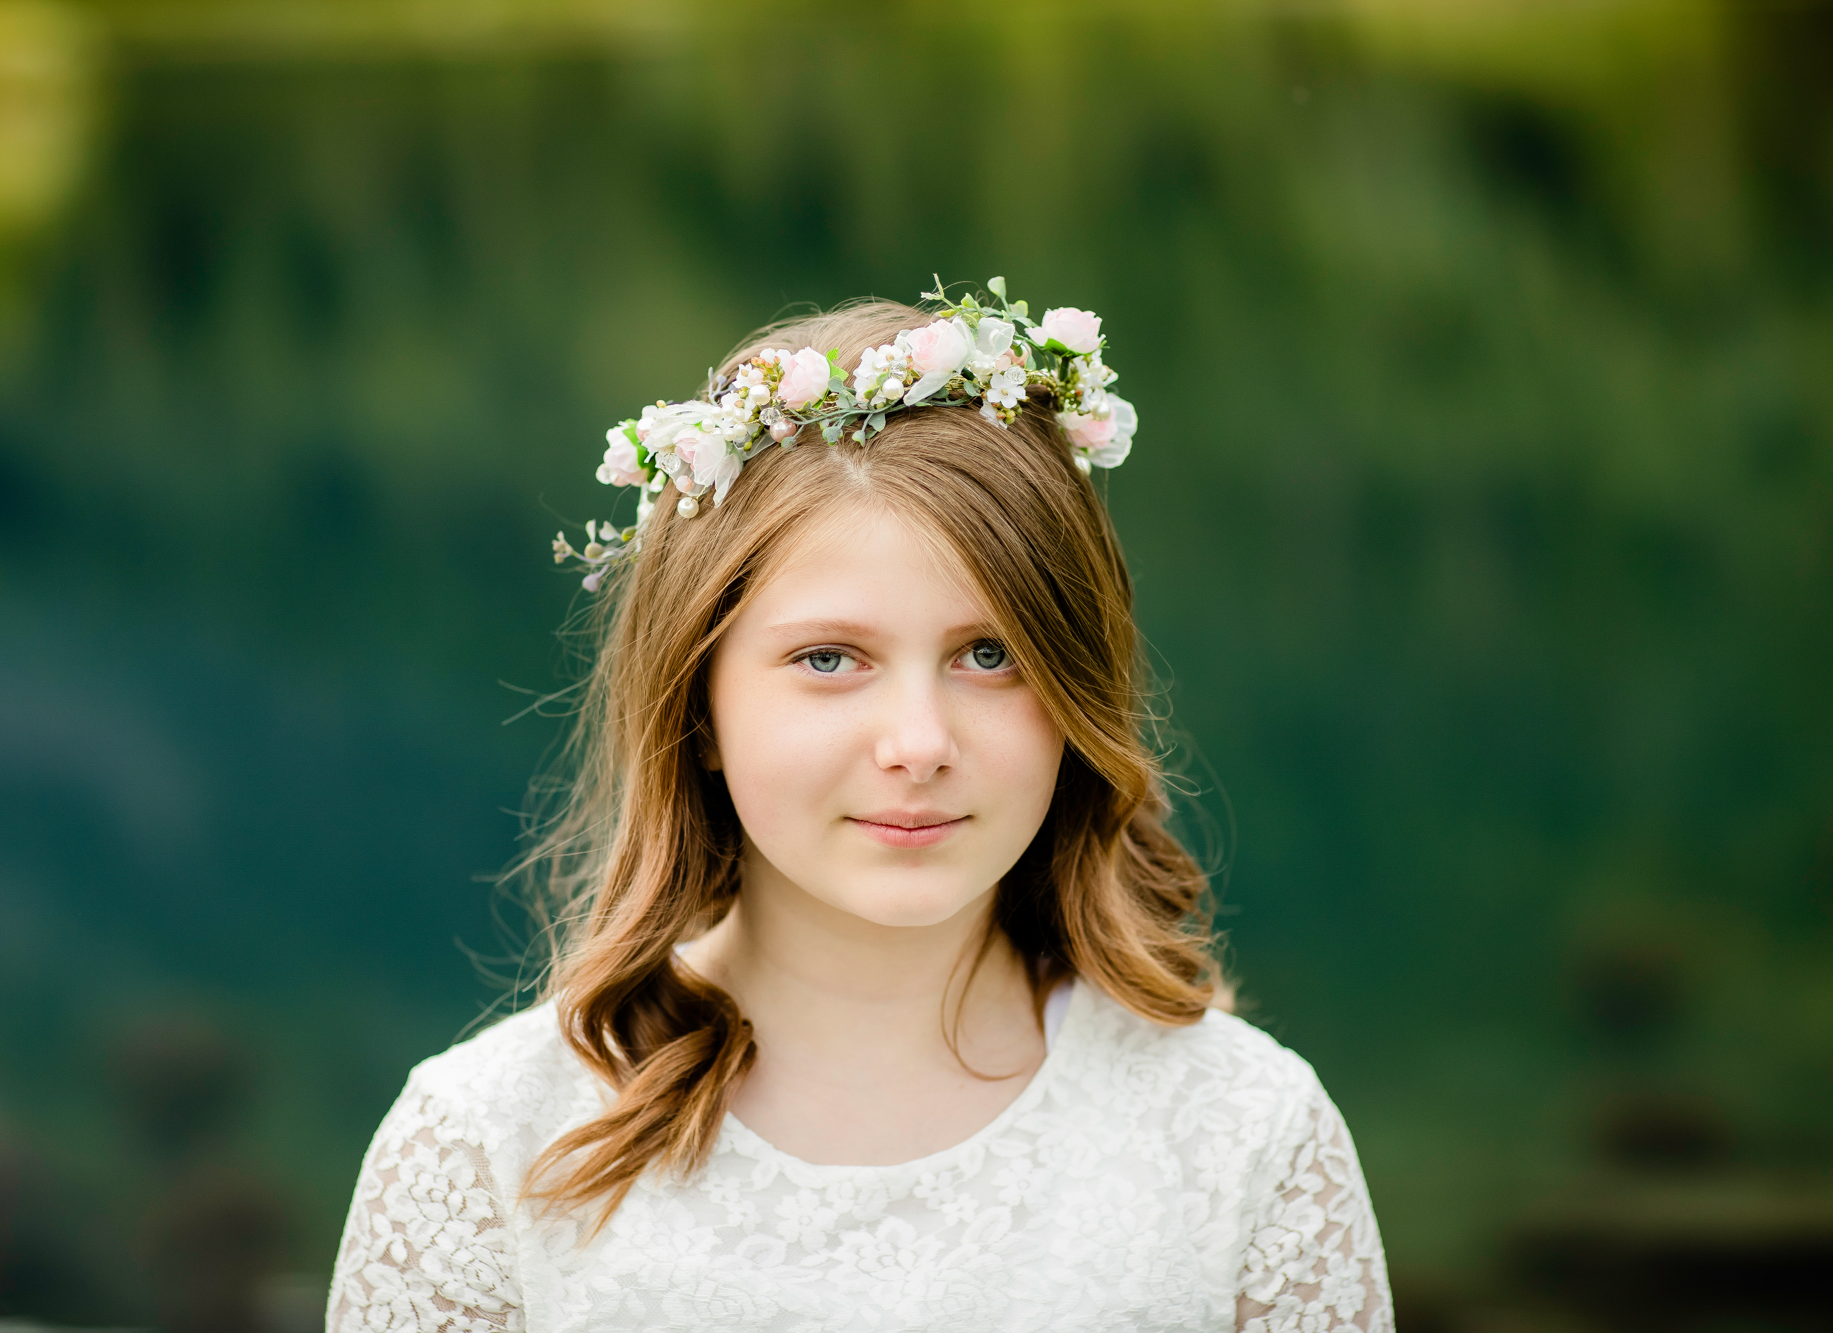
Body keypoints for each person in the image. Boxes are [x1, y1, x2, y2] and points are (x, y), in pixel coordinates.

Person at [326, 281, 1393, 1332]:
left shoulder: (1243, 1136)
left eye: (990, 655)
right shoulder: (483, 1149)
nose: (918, 745)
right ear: (697, 702)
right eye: (829, 658)